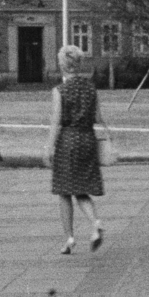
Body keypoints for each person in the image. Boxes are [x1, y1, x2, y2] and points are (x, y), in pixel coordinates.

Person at [44, 44, 106, 254]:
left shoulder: (59, 90)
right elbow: (98, 117)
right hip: (87, 139)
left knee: (64, 191)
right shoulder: (91, 88)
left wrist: (48, 148)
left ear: (62, 65)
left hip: (68, 141)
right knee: (81, 188)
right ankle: (95, 222)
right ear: (78, 64)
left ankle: (69, 238)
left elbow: (56, 122)